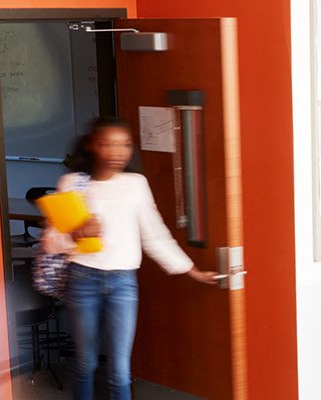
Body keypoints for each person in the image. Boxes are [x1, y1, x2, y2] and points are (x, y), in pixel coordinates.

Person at [43, 117, 218, 400]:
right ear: (91, 146)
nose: (118, 152)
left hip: (123, 283)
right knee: (86, 362)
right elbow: (51, 242)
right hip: (82, 278)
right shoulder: (72, 183)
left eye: (124, 145)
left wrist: (192, 271)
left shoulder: (136, 184)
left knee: (120, 371)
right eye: (108, 144)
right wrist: (75, 234)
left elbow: (155, 235)